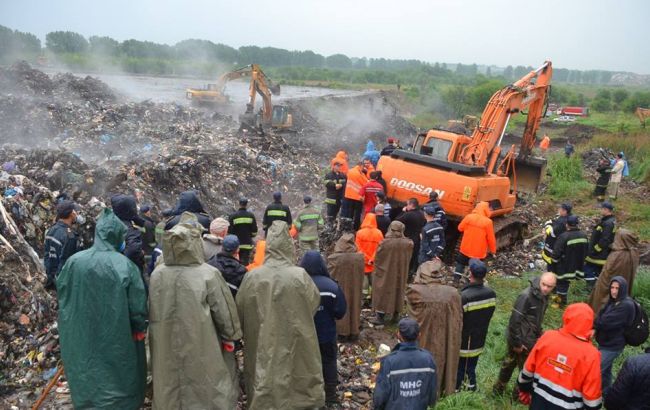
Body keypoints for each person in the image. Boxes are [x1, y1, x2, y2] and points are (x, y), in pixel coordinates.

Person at [57, 209, 147, 409]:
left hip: (81, 329)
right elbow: (138, 306)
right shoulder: (125, 266)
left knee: (87, 366)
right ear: (116, 235)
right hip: (117, 331)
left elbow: (63, 295)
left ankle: (89, 402)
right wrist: (140, 328)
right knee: (118, 371)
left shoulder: (74, 262)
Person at [149, 222, 242, 410]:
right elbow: (223, 311)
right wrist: (231, 336)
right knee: (205, 379)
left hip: (165, 340)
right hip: (201, 338)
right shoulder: (208, 274)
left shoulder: (158, 274)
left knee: (171, 380)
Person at [237, 221, 324, 409]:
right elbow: (313, 303)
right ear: (288, 245)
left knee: (263, 373)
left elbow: (241, 308)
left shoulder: (252, 276)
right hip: (295, 334)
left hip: (261, 336)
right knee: (296, 371)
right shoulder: (300, 276)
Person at [517, 303, 602, 410]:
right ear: (589, 324)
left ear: (566, 317)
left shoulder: (547, 337)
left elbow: (528, 369)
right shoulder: (591, 354)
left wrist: (524, 389)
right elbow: (592, 395)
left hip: (538, 401)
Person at [493, 273, 557, 396]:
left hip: (530, 337)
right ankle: (508, 392)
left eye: (549, 287)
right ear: (540, 281)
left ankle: (512, 393)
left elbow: (536, 318)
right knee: (522, 368)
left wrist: (539, 334)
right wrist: (517, 343)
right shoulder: (526, 296)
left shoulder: (543, 296)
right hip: (520, 340)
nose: (545, 288)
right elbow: (514, 320)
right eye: (544, 285)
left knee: (514, 365)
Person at [406, 260, 462, 397]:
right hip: (445, 337)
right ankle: (442, 389)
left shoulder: (415, 291)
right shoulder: (453, 293)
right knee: (442, 360)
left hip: (423, 336)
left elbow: (411, 311)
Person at [300, 251, 347, 407]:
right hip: (326, 334)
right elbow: (340, 312)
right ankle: (331, 396)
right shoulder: (331, 286)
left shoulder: (298, 285)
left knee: (305, 364)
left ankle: (308, 395)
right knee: (328, 362)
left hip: (304, 335)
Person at [373, 318, 438, 410]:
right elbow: (432, 393)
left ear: (398, 334)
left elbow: (380, 396)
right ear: (419, 335)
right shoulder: (428, 359)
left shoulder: (389, 361)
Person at [457, 260, 496, 391]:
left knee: (461, 368)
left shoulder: (464, 297)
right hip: (480, 338)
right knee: (471, 366)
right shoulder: (491, 294)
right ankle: (470, 389)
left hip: (465, 341)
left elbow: (458, 320)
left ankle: (463, 389)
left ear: (470, 274)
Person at [594, 276, 636, 392]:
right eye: (612, 287)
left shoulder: (625, 305)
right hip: (605, 342)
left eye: (617, 288)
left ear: (622, 289)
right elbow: (601, 316)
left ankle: (590, 396)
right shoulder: (614, 301)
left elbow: (604, 322)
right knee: (606, 372)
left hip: (612, 346)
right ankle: (607, 394)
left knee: (595, 370)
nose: (613, 291)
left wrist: (597, 322)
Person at [371, 221, 413, 325]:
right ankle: (396, 316)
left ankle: (380, 316)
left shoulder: (385, 243)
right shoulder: (408, 243)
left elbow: (378, 258)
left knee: (382, 291)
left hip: (386, 271)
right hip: (401, 272)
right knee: (398, 291)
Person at [588, 229, 639, 314]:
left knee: (603, 302)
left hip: (609, 287)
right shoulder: (633, 252)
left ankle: (598, 317)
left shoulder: (617, 255)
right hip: (623, 287)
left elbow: (606, 274)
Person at [328, 233, 365, 342]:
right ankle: (354, 331)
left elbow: (330, 274)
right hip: (355, 287)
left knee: (341, 307)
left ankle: (342, 333)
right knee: (355, 306)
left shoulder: (334, 258)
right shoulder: (359, 257)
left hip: (340, 287)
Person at [454, 202, 496, 285]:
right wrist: (493, 251)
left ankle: (456, 280)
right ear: (486, 209)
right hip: (478, 252)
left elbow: (460, 228)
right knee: (475, 267)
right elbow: (491, 239)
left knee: (460, 263)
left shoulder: (469, 217)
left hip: (465, 248)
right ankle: (470, 283)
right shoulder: (488, 222)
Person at [551, 215, 588, 308]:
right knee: (565, 284)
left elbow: (556, 254)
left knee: (561, 285)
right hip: (577, 266)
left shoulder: (564, 236)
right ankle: (560, 301)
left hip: (564, 267)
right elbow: (586, 250)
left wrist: (554, 263)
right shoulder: (583, 235)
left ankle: (560, 304)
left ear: (567, 224)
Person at [43, 200, 80, 289]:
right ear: (71, 214)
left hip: (51, 277)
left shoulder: (51, 230)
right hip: (62, 281)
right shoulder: (70, 234)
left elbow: (46, 255)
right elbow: (67, 262)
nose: (76, 213)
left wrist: (50, 275)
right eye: (75, 211)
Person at [584, 201, 617, 292]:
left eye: (602, 209)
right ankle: (596, 290)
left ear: (606, 210)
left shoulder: (608, 223)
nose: (600, 210)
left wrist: (595, 250)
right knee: (597, 272)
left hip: (598, 254)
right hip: (601, 254)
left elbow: (605, 240)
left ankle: (589, 289)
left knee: (588, 269)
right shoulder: (609, 221)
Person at [111, 194, 146, 273]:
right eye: (133, 207)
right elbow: (133, 250)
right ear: (128, 210)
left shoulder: (111, 223)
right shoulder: (128, 228)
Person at [355, 213, 384, 300]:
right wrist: (372, 259)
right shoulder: (379, 233)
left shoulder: (360, 233)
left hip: (362, 262)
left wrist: (365, 259)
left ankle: (363, 299)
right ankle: (373, 299)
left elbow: (357, 248)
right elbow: (380, 248)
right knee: (374, 282)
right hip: (373, 263)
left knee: (364, 282)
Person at [396, 198, 427, 276]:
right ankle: (411, 272)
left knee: (405, 257)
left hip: (408, 238)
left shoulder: (408, 214)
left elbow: (397, 221)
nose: (406, 206)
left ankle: (403, 273)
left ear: (411, 205)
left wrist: (403, 211)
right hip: (417, 239)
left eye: (407, 204)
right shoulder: (422, 214)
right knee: (413, 256)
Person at [541, 202, 572, 270]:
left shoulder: (562, 222)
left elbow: (552, 233)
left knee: (552, 267)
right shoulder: (566, 218)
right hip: (558, 249)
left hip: (553, 248)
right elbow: (553, 222)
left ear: (565, 211)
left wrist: (547, 226)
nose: (558, 209)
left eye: (560, 208)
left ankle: (550, 277)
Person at [227, 197, 258, 265]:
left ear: (239, 204)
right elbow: (254, 231)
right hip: (247, 244)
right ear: (246, 204)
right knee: (246, 263)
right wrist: (250, 235)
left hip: (236, 245)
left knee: (236, 262)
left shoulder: (233, 216)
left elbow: (229, 232)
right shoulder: (251, 216)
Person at [341, 162, 369, 230]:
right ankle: (356, 228)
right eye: (363, 167)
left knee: (349, 213)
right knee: (357, 214)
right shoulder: (359, 174)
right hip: (358, 197)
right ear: (360, 166)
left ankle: (347, 227)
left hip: (349, 195)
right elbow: (365, 183)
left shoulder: (350, 171)